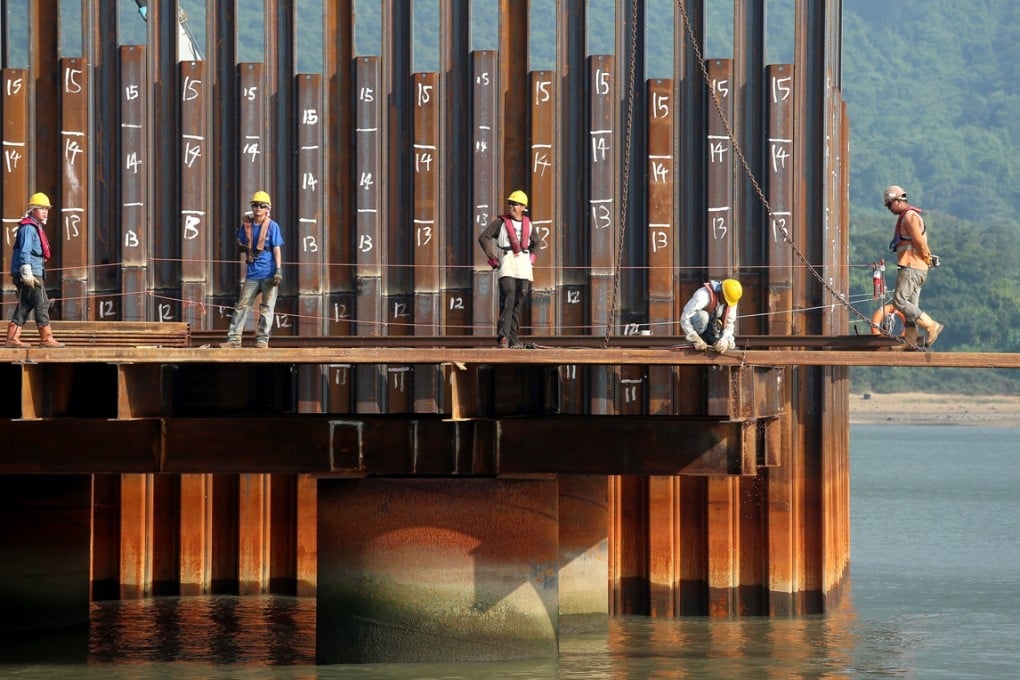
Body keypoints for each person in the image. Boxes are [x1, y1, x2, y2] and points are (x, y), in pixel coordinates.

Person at [220, 191, 284, 348]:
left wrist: (278, 269)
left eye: (261, 206)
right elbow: (241, 244)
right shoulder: (246, 226)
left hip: (268, 273)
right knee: (242, 305)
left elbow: (276, 249)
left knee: (267, 307)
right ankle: (234, 339)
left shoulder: (273, 226)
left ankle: (262, 340)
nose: (258, 209)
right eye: (255, 205)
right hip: (252, 274)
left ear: (267, 209)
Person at [882, 185, 944, 347]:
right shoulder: (907, 216)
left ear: (898, 200)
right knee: (910, 308)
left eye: (889, 204)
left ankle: (931, 325)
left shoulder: (909, 217)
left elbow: (918, 241)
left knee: (899, 302)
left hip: (912, 266)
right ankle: (910, 342)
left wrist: (927, 258)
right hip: (916, 267)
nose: (889, 208)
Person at [478, 190, 539, 348]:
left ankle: (513, 339)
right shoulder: (501, 223)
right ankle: (503, 337)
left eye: (515, 204)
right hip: (507, 262)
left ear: (523, 207)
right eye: (510, 203)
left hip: (524, 265)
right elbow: (484, 237)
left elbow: (536, 243)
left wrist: (532, 258)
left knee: (518, 300)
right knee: (509, 297)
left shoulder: (529, 225)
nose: (511, 206)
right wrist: (492, 258)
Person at [5, 193, 64, 348]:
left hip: (34, 271)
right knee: (42, 303)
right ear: (32, 210)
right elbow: (25, 250)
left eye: (47, 209)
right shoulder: (28, 228)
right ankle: (46, 338)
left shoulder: (36, 227)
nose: (45, 211)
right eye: (41, 208)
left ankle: (12, 337)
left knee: (26, 303)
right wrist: (26, 272)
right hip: (29, 272)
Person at [680, 278, 741, 354]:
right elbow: (685, 317)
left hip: (712, 329)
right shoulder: (703, 295)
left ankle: (714, 342)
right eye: (725, 300)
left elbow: (729, 323)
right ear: (721, 292)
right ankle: (699, 341)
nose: (726, 303)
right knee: (703, 316)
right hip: (699, 328)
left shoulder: (730, 302)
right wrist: (694, 338)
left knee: (720, 326)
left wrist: (724, 339)